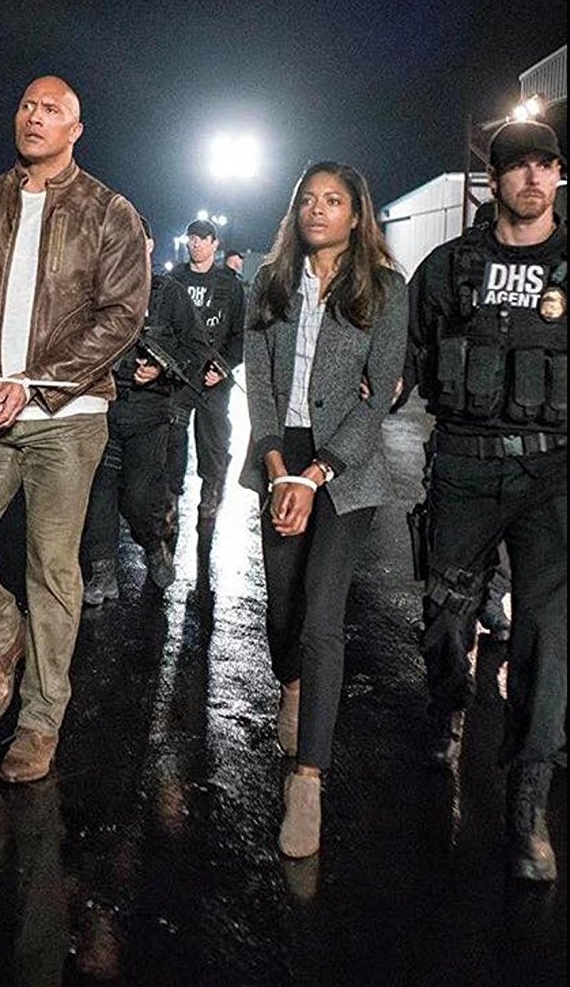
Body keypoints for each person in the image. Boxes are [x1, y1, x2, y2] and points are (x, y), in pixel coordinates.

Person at [0, 75, 148, 783]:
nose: (35, 117)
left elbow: (122, 315)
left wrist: (35, 383)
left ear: (75, 130)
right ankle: (2, 637)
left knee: (51, 568)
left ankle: (41, 719)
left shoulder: (108, 212)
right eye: (27, 105)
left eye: (52, 110)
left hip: (67, 417)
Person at [404, 120, 566, 881]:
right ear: (493, 179)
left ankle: (527, 804)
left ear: (557, 175)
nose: (532, 178)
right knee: (447, 615)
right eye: (517, 167)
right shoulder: (449, 268)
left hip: (553, 473)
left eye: (545, 165)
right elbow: (403, 357)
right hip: (464, 467)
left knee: (546, 636)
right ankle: (446, 700)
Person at [241, 161, 407, 859]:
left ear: (355, 213)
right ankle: (292, 685)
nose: (317, 210)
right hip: (282, 452)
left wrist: (317, 474)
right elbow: (257, 379)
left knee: (321, 616)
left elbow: (381, 392)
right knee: (282, 610)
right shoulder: (270, 281)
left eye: (333, 200)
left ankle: (307, 781)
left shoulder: (384, 288)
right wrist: (278, 465)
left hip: (345, 468)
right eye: (307, 199)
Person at [81, 216, 209, 605]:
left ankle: (153, 545)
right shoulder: (99, 292)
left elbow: (196, 348)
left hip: (150, 412)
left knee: (139, 497)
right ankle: (103, 573)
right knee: (99, 494)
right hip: (103, 407)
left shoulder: (170, 295)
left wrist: (161, 370)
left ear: (149, 246)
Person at [167, 218, 246, 527]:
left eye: (202, 238)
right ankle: (170, 496)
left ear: (215, 243)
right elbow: (162, 327)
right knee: (173, 439)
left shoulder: (229, 284)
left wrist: (223, 369)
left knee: (212, 439)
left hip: (214, 377)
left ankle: (210, 491)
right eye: (192, 238)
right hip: (180, 375)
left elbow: (239, 334)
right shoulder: (174, 279)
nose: (195, 243)